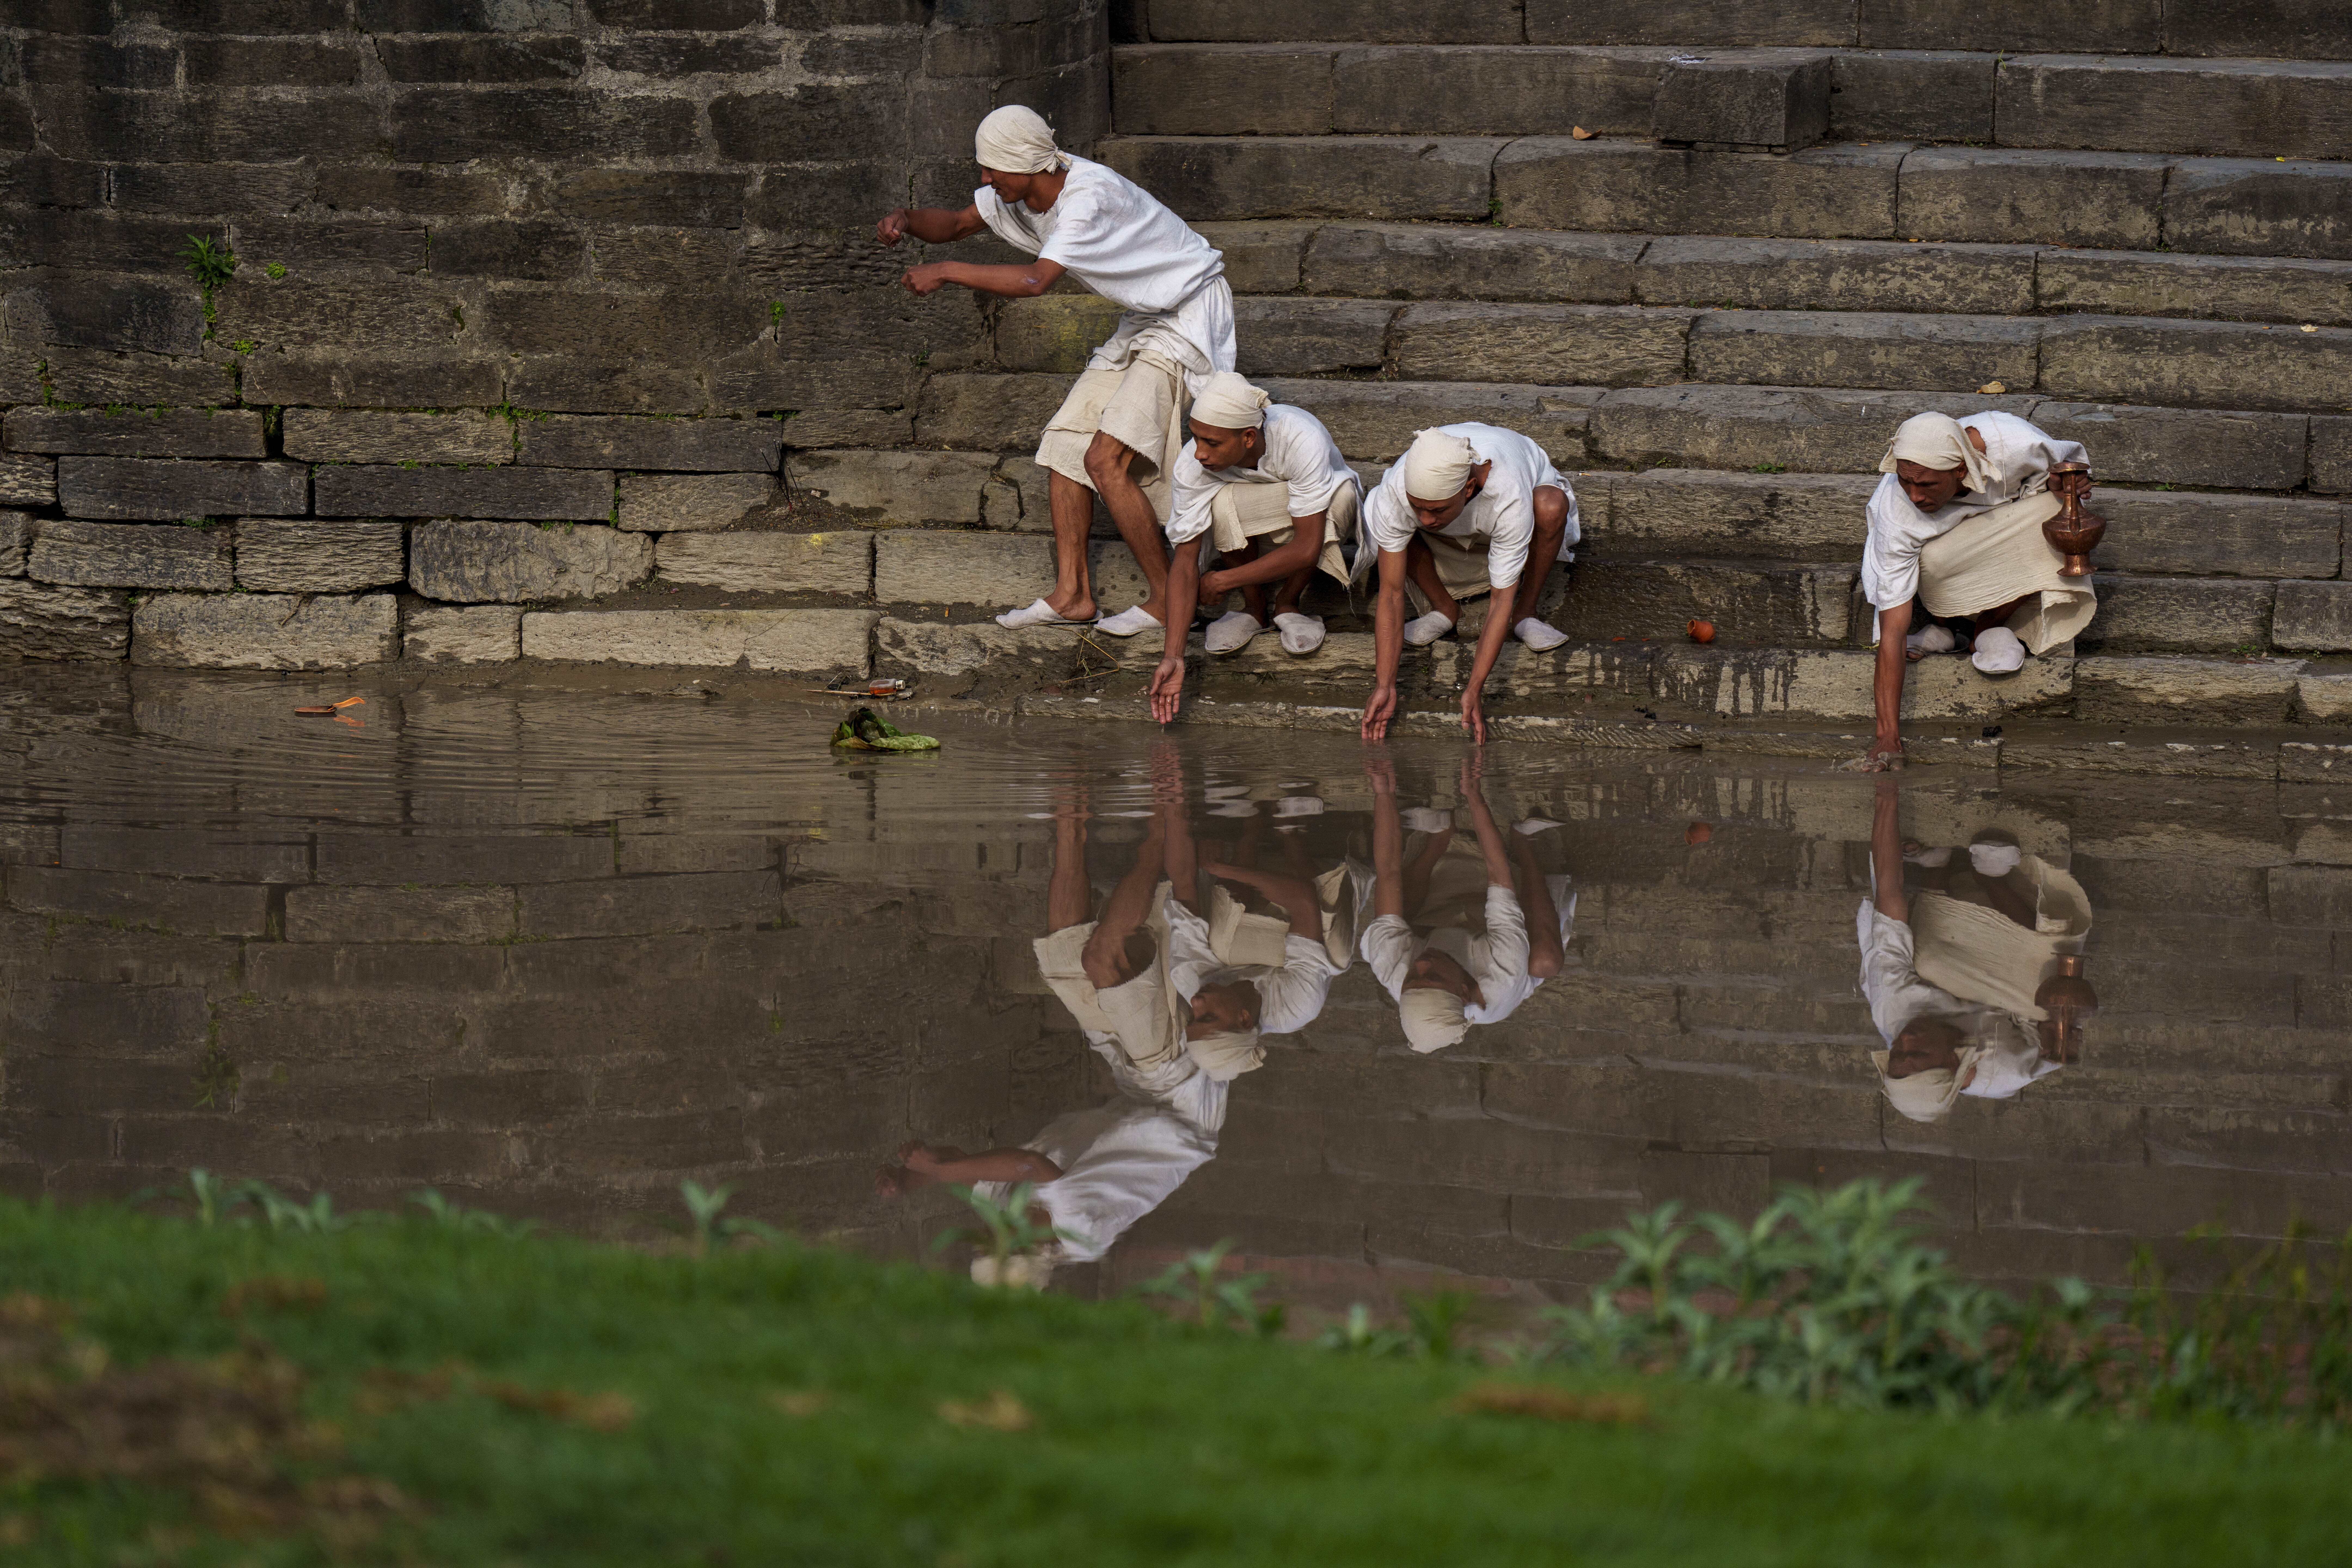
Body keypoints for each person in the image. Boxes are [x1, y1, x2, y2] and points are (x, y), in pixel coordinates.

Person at [875, 105, 1235, 639]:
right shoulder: (1017, 193)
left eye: (993, 169)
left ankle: (1166, 599)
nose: (985, 179)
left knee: (1104, 459)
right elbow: (952, 225)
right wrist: (906, 219)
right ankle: (1073, 596)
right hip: (1145, 317)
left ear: (1027, 165)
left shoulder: (1087, 199)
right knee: (1066, 447)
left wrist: (947, 272)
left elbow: (1036, 281)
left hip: (1187, 314)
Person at [1864, 411, 2097, 769]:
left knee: (2060, 511)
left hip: (2000, 535)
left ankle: (1984, 630)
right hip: (1942, 571)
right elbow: (1894, 629)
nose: (1914, 495)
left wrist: (2064, 486)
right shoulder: (1895, 513)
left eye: (1926, 485)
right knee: (1934, 559)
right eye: (1906, 481)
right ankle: (1953, 625)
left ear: (1960, 471)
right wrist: (1887, 738)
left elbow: (2071, 468)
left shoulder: (2016, 442)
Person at [1858, 777, 2094, 1122]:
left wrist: (1886, 792)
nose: (1907, 1039)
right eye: (1920, 1051)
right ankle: (1992, 880)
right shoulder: (2005, 1068)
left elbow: (1890, 905)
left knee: (1931, 962)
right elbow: (2059, 1031)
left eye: (1897, 1052)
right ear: (1956, 1062)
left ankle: (1938, 869)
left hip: (1951, 952)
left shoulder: (1894, 1009)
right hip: (2010, 995)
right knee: (2046, 989)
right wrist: (2063, 1026)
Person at [1147, 373, 1362, 722]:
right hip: (1256, 515)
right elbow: (1186, 561)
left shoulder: (1299, 437)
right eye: (1196, 438)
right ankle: (1254, 607)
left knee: (1340, 498)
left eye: (1212, 443)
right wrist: (1174, 656)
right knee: (1217, 503)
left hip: (1312, 514)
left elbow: (1308, 547)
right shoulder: (1194, 463)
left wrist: (1221, 582)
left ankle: (1288, 603)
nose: (1200, 453)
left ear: (1249, 437)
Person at [1356, 424, 1578, 743]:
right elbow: (1391, 595)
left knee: (1550, 504)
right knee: (1386, 519)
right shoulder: (1397, 489)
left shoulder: (1508, 491)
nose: (1425, 518)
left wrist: (1474, 688)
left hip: (1516, 528)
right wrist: (1384, 686)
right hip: (1450, 535)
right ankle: (1445, 609)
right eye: (1416, 506)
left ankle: (1527, 613)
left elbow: (1501, 600)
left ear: (1469, 489)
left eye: (1436, 510)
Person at [1358, 755, 1571, 1054]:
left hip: (1435, 924)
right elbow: (1500, 874)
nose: (1419, 965)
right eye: (1431, 976)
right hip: (1498, 939)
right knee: (1546, 962)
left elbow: (1388, 870)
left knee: (1391, 914)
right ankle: (1524, 843)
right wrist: (1474, 796)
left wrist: (1382, 792)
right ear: (1463, 991)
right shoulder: (1502, 980)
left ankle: (1440, 837)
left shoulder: (1392, 967)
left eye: (1412, 979)